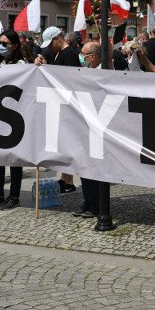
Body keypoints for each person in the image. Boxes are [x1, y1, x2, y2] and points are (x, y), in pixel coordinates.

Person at [0, 30, 33, 210]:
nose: (2, 47)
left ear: (14, 45)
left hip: (15, 117)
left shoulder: (21, 64)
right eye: (0, 43)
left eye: (6, 43)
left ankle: (14, 196)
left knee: (14, 160)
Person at [35, 26, 80, 194]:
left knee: (67, 145)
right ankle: (65, 179)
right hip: (63, 104)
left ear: (57, 39)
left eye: (50, 43)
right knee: (64, 145)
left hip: (67, 105)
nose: (48, 47)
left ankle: (68, 181)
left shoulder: (68, 54)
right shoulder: (60, 53)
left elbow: (66, 80)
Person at [71, 41, 104, 218]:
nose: (80, 58)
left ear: (93, 57)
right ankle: (88, 201)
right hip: (84, 124)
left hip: (98, 126)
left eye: (83, 55)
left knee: (94, 168)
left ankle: (97, 205)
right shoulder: (85, 70)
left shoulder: (103, 70)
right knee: (84, 166)